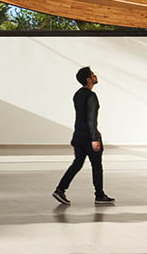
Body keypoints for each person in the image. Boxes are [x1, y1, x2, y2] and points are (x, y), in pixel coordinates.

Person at [52, 66, 114, 205]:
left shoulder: (78, 94)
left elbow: (83, 117)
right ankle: (99, 195)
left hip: (78, 135)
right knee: (97, 166)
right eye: (93, 75)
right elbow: (91, 118)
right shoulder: (91, 96)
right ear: (88, 79)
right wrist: (95, 137)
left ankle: (60, 189)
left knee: (77, 163)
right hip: (88, 137)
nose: (95, 76)